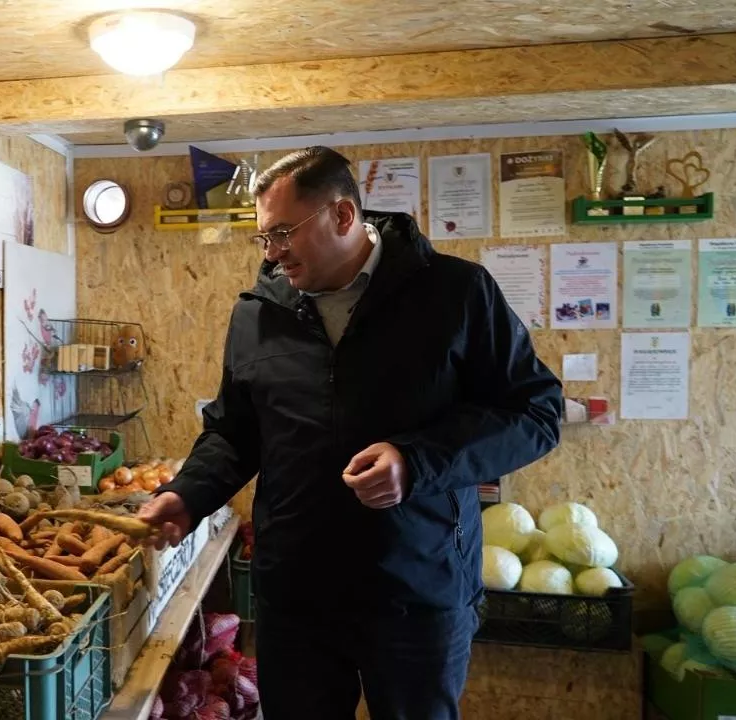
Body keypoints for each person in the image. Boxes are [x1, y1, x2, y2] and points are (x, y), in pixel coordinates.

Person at [137, 146, 563, 719]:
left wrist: (416, 462)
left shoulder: (455, 294)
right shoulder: (257, 313)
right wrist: (188, 493)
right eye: (263, 237)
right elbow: (235, 433)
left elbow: (535, 413)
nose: (273, 253)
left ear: (342, 216)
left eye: (283, 232)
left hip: (418, 591)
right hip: (298, 598)